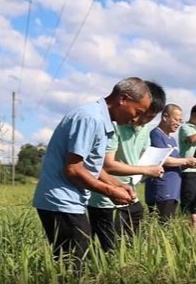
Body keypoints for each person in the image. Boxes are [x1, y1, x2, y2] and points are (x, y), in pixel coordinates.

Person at [32, 77, 152, 269]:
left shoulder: (104, 121)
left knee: (78, 260)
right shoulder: (90, 118)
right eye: (137, 112)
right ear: (123, 98)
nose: (136, 119)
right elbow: (73, 169)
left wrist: (117, 184)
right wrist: (111, 192)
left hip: (71, 201)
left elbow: (89, 165)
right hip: (61, 202)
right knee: (72, 266)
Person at [87, 81, 166, 252]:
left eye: (148, 116)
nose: (140, 119)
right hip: (105, 192)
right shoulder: (117, 124)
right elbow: (107, 165)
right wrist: (146, 170)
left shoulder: (145, 128)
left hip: (127, 189)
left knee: (130, 232)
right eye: (140, 113)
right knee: (108, 244)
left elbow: (145, 155)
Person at [145, 104, 196, 223]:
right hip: (161, 191)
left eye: (180, 120)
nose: (178, 123)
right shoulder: (156, 134)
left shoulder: (172, 140)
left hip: (173, 192)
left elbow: (176, 161)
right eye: (176, 119)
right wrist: (186, 160)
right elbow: (164, 159)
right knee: (161, 227)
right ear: (165, 117)